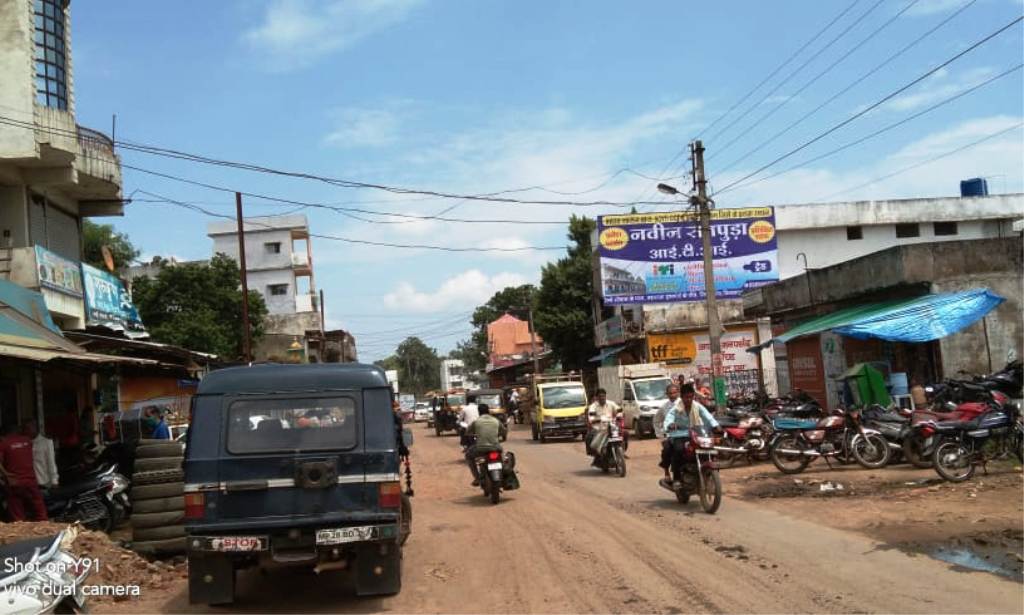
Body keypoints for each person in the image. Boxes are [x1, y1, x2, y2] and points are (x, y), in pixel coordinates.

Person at [663, 383, 720, 488]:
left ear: (693, 396)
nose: (689, 399)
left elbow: (707, 416)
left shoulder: (697, 406)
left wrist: (715, 426)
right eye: (686, 397)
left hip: (697, 434)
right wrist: (670, 425)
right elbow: (669, 418)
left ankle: (708, 474)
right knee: (678, 450)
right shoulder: (676, 408)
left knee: (710, 449)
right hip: (680, 435)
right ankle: (677, 479)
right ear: (682, 397)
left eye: (691, 397)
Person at [0, 422, 48, 521]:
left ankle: (23, 533)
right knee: (40, 511)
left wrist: (6, 474)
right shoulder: (27, 441)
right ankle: (46, 529)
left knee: (18, 515)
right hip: (31, 481)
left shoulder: (4, 443)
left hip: (14, 483)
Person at [464, 404, 506, 486]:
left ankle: (477, 478)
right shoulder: (496, 421)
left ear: (479, 412)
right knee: (503, 458)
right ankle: (504, 472)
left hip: (480, 449)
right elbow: (504, 431)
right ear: (488, 411)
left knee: (468, 456)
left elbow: (468, 432)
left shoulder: (476, 422)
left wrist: (474, 434)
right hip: (495, 447)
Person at [586, 388, 621, 465]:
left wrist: (618, 416)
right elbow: (591, 417)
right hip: (599, 428)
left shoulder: (611, 403)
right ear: (597, 398)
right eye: (600, 396)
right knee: (593, 441)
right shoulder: (593, 406)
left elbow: (619, 410)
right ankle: (599, 453)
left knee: (624, 434)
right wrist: (596, 420)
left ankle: (621, 451)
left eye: (603, 396)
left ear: (606, 396)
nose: (602, 398)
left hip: (611, 426)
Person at [655, 384, 682, 480]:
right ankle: (667, 471)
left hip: (685, 433)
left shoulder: (685, 403)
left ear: (678, 393)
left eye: (674, 392)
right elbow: (656, 421)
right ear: (667, 394)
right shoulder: (664, 407)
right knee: (667, 450)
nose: (673, 395)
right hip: (670, 435)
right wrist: (661, 436)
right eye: (670, 393)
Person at [22, 420, 58, 491]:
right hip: (29, 482)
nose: (26, 431)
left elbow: (51, 462)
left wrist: (54, 481)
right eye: (25, 429)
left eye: (28, 428)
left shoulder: (46, 442)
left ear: (35, 428)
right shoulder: (24, 443)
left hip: (42, 481)